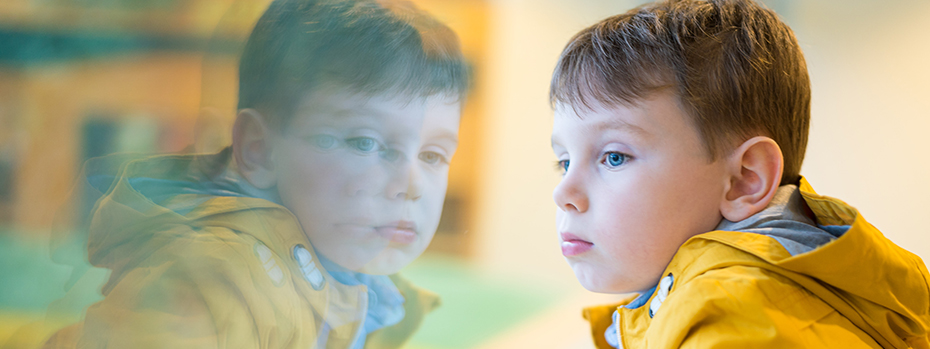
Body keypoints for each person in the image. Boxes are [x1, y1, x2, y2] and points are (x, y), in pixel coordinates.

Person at [43, 0, 469, 347]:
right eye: (364, 143)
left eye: (432, 156)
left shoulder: (368, 290)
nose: (411, 185)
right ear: (260, 150)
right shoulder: (217, 284)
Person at [547, 0, 930, 347]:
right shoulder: (763, 298)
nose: (564, 192)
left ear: (745, 179)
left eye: (614, 157)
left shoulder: (728, 323)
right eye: (564, 162)